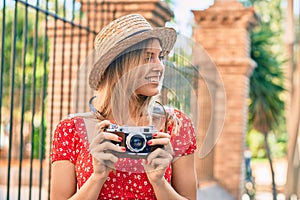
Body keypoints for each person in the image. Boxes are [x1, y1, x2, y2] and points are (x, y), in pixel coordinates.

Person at [50, 13, 197, 200]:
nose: (160, 67)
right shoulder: (70, 130)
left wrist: (159, 181)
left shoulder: (176, 126)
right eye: (148, 57)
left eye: (160, 56)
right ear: (121, 65)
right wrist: (97, 177)